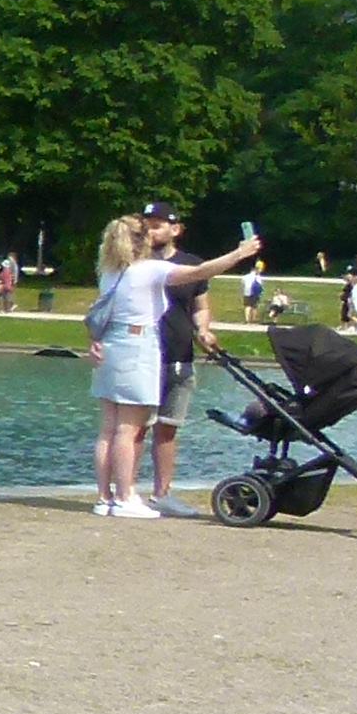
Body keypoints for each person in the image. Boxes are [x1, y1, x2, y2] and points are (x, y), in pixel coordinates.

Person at [87, 214, 261, 518]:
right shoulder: (149, 270)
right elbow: (201, 271)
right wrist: (239, 254)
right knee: (128, 428)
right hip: (137, 347)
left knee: (108, 429)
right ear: (139, 240)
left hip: (111, 347)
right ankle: (126, 497)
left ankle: (105, 498)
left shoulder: (110, 272)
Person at [145, 206, 209, 507]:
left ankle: (162, 493)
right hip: (142, 356)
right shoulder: (136, 263)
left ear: (175, 229)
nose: (151, 231)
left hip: (179, 355)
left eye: (157, 226)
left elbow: (200, 307)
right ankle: (124, 493)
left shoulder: (191, 265)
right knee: (132, 427)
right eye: (147, 225)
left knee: (167, 427)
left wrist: (204, 330)